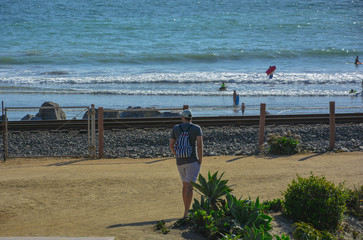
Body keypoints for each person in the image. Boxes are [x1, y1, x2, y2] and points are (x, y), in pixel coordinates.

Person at [169, 109, 203, 218]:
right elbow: (199, 146)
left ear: (183, 118)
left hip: (180, 161)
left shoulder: (176, 128)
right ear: (191, 118)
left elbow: (171, 145)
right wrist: (200, 159)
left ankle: (185, 210)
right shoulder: (196, 128)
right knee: (189, 186)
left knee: (184, 185)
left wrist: (176, 154)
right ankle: (186, 212)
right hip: (192, 160)